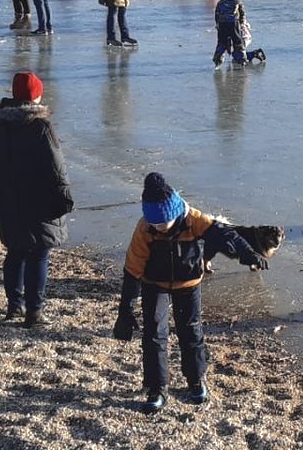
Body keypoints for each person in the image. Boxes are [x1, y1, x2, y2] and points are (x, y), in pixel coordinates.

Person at [112, 174, 265, 413]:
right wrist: (125, 311)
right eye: (155, 223)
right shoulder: (144, 229)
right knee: (154, 335)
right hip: (154, 284)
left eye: (164, 222)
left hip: (188, 284)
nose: (160, 227)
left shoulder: (193, 219)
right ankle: (157, 388)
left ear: (175, 212)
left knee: (191, 331)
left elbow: (224, 233)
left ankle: (196, 380)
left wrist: (247, 253)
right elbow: (132, 271)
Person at [0, 73, 72, 328]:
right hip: (37, 199)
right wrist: (64, 196)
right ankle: (34, 311)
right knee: (39, 254)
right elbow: (56, 167)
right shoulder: (40, 125)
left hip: (6, 198)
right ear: (36, 96)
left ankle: (14, 306)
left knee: (15, 251)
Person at [212, 0, 251, 67]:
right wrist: (242, 24)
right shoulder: (237, 1)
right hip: (234, 24)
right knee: (238, 42)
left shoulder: (220, 2)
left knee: (222, 42)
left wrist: (218, 25)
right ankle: (241, 59)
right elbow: (242, 14)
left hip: (222, 24)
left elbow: (217, 15)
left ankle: (218, 58)